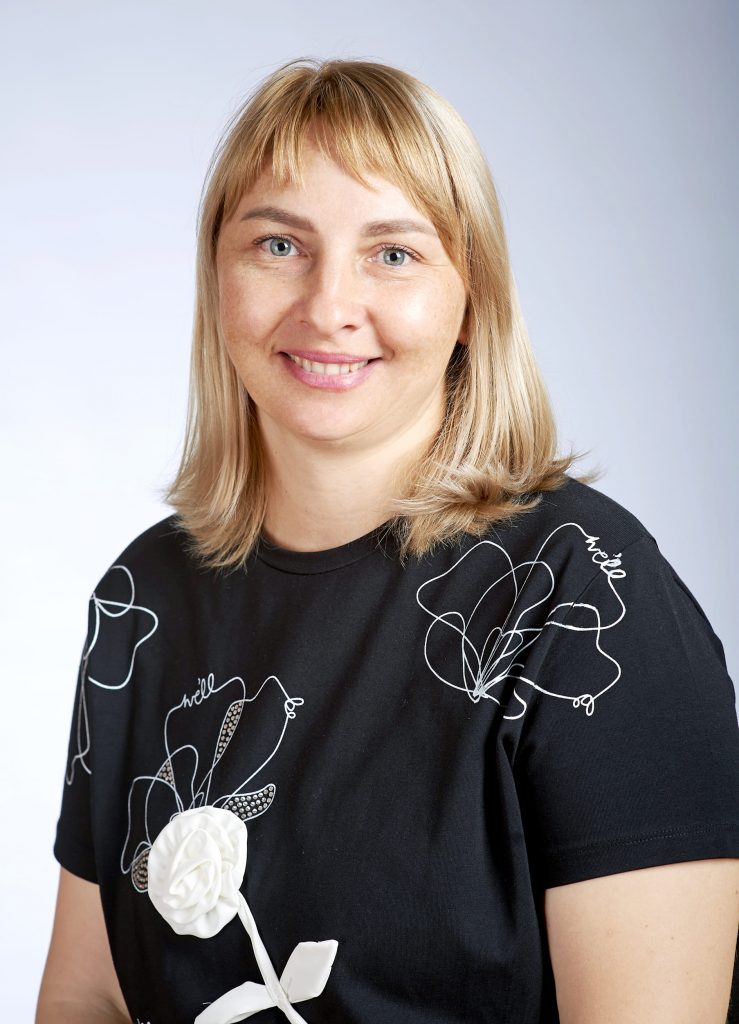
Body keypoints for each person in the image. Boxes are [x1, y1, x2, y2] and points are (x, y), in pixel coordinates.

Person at [37, 57, 739, 1024]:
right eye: (278, 244)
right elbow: (90, 997)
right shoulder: (144, 596)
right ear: (217, 277)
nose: (328, 306)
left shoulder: (577, 591)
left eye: (394, 254)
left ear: (470, 297)